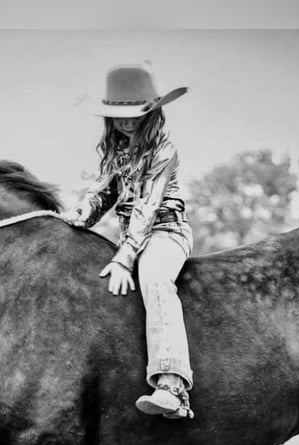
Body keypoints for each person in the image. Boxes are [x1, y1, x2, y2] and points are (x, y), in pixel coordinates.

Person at [62, 63, 195, 419]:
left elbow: (147, 209)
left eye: (134, 113)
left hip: (165, 233)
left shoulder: (164, 151)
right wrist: (77, 215)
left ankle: (172, 386)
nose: (125, 121)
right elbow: (101, 193)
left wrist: (124, 258)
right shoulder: (116, 152)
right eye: (117, 114)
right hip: (131, 237)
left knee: (154, 279)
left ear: (152, 112)